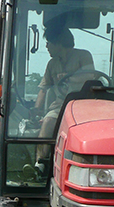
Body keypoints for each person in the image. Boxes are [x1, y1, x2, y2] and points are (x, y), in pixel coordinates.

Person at [30, 24, 95, 171]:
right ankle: (40, 164)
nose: (46, 46)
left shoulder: (83, 56)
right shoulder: (52, 64)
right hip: (61, 106)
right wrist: (36, 109)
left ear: (59, 43)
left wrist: (69, 77)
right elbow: (44, 88)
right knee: (47, 122)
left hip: (85, 105)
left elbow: (89, 75)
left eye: (49, 43)